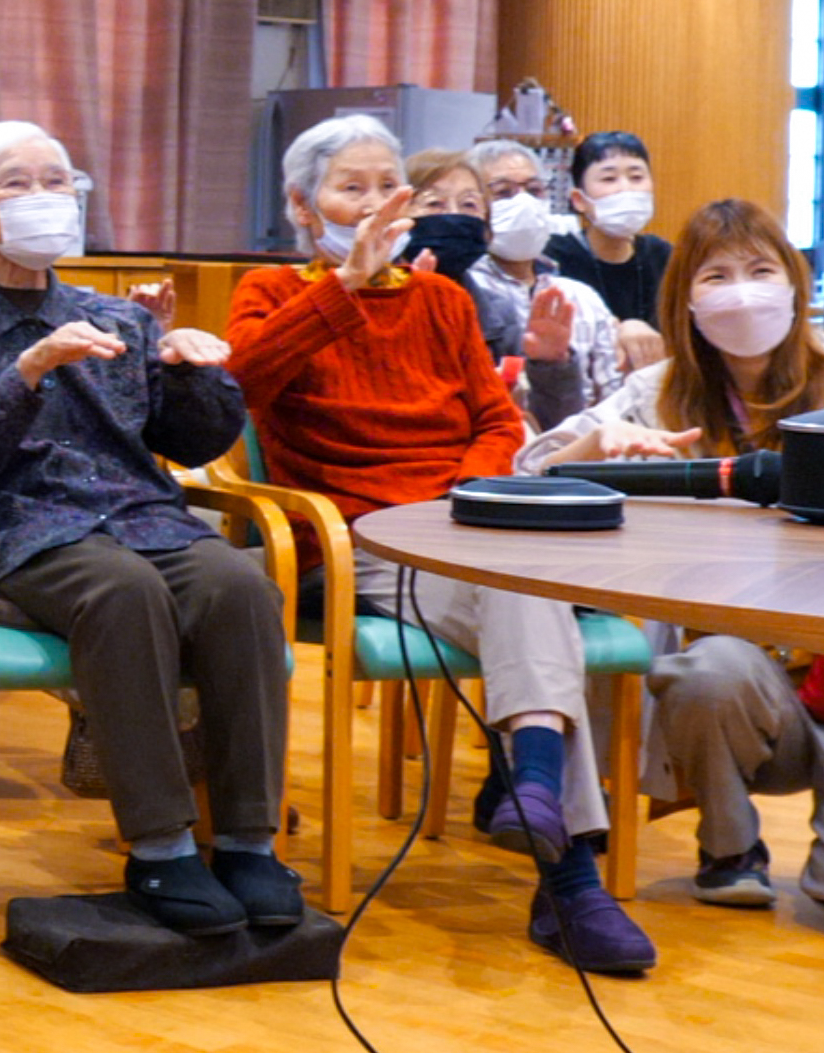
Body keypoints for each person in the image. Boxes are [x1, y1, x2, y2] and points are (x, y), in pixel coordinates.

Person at [228, 115, 655, 974]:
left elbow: (496, 418)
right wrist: (340, 289)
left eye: (388, 185)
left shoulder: (441, 299)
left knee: (516, 561)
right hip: (355, 532)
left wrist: (468, 489)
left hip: (458, 519)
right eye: (351, 186)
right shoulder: (271, 292)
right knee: (521, 578)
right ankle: (568, 876)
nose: (376, 202)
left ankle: (534, 795)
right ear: (302, 207)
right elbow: (239, 383)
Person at [0, 122, 297, 936]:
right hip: (18, 529)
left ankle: (247, 840)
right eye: (18, 183)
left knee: (241, 584)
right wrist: (26, 372)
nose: (46, 195)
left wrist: (194, 371)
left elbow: (188, 444)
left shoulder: (122, 318)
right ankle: (159, 848)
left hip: (139, 514)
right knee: (123, 591)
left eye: (58, 179)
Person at [518, 198, 824, 910]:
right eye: (716, 275)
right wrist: (599, 444)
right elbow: (533, 473)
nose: (742, 290)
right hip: (750, 687)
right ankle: (728, 847)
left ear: (793, 282)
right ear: (685, 298)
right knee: (707, 669)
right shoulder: (654, 394)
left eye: (759, 269)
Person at [461, 138, 624, 430]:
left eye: (534, 190)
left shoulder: (579, 295)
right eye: (504, 193)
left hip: (584, 453)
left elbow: (614, 398)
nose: (524, 202)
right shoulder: (465, 289)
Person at [546, 129, 670, 361]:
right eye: (609, 179)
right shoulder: (554, 258)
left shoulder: (663, 255)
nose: (626, 189)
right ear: (579, 200)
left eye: (636, 177)